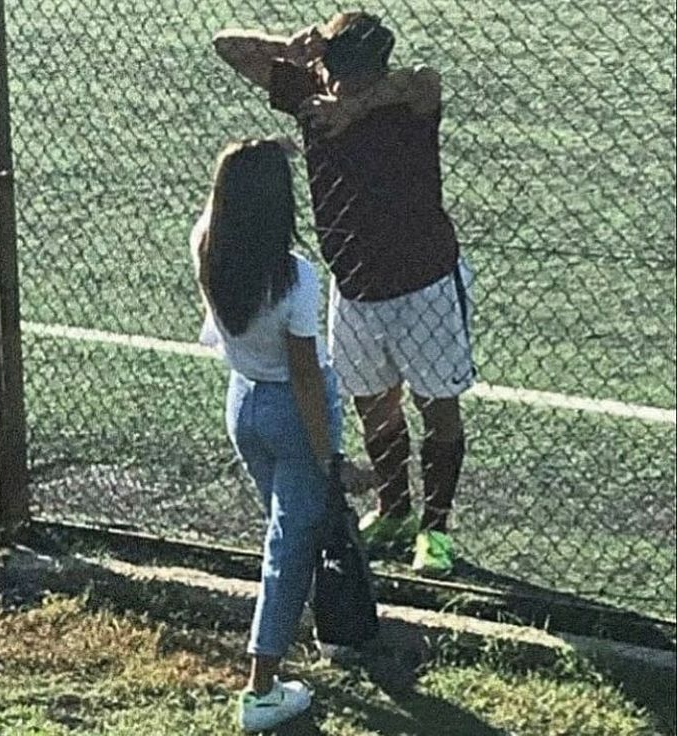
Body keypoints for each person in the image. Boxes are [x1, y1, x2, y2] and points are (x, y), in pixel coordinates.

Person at [213, 12, 475, 576]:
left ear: (370, 71)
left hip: (424, 283)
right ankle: (394, 509)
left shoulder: (406, 105)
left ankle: (436, 530)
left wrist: (354, 108)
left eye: (345, 75)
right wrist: (286, 45)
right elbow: (228, 47)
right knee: (373, 403)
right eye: (331, 70)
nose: (335, 84)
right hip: (354, 286)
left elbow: (425, 79)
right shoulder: (311, 91)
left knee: (438, 408)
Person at [191, 139, 364, 732]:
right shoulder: (296, 279)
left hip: (242, 405)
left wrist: (257, 155)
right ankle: (261, 688)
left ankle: (312, 631)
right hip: (291, 416)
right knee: (288, 550)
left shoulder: (207, 245)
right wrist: (333, 458)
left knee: (288, 534)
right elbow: (308, 380)